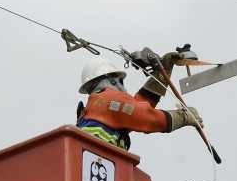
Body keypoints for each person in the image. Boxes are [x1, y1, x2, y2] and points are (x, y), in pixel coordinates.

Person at [74, 53, 202, 150]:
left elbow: (136, 108)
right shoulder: (107, 99)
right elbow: (146, 117)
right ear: (112, 80)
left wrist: (162, 75)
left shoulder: (98, 105)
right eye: (120, 81)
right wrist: (184, 116)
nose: (122, 87)